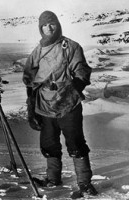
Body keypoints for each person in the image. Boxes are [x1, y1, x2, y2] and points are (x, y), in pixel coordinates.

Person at [22, 10, 98, 198]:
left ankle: (85, 184)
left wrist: (71, 90)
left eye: (52, 23)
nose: (49, 28)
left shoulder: (70, 46)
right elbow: (29, 78)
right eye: (44, 25)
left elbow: (82, 72)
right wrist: (32, 104)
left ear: (58, 24)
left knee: (76, 143)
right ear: (40, 28)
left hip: (68, 103)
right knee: (49, 143)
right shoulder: (38, 50)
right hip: (44, 104)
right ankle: (53, 179)